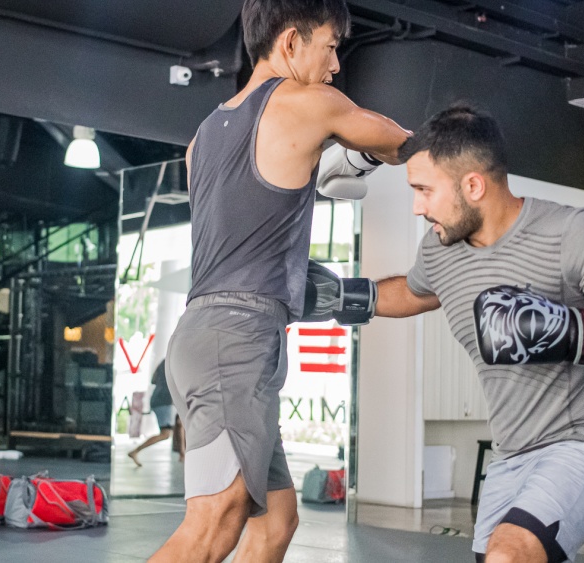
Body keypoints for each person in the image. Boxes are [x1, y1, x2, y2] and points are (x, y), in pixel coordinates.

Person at [151, 0, 411, 561]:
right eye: (331, 46)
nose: (336, 65)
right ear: (291, 43)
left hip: (212, 335)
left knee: (276, 523)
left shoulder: (203, 137)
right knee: (211, 526)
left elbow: (248, 240)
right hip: (235, 343)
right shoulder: (306, 100)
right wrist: (372, 154)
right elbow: (398, 141)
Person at [372, 105, 584, 563]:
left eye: (424, 190)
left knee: (510, 554)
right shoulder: (441, 251)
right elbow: (410, 294)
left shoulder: (573, 233)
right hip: (512, 454)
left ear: (473, 185)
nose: (417, 206)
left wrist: (563, 328)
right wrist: (337, 296)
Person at [127, 360, 184, 467]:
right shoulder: (178, 361)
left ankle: (182, 454)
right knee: (166, 434)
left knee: (179, 424)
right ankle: (135, 451)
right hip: (165, 399)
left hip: (159, 397)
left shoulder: (164, 361)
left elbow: (153, 380)